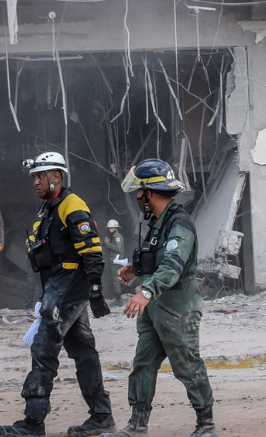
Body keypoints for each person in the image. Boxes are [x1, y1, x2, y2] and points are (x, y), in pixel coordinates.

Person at [0, 152, 114, 437]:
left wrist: (96, 290)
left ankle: (33, 423)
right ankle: (101, 417)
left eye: (41, 176)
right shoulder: (50, 209)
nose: (36, 182)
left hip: (68, 288)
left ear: (57, 176)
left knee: (43, 349)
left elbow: (92, 250)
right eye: (34, 177)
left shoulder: (71, 205)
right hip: (60, 288)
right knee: (84, 352)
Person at [103, 159, 217, 437]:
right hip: (156, 308)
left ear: (149, 193)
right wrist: (136, 269)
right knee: (143, 364)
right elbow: (156, 255)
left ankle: (206, 426)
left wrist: (145, 291)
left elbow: (173, 265)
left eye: (139, 193)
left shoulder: (180, 224)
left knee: (187, 365)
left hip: (178, 307)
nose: (137, 197)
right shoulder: (157, 222)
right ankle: (137, 426)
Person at [104, 219, 126, 303]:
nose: (110, 230)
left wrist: (108, 244)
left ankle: (119, 299)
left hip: (116, 261)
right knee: (110, 281)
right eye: (109, 228)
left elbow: (118, 249)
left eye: (112, 228)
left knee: (115, 280)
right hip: (113, 261)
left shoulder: (117, 237)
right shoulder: (114, 237)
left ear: (116, 228)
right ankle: (117, 297)